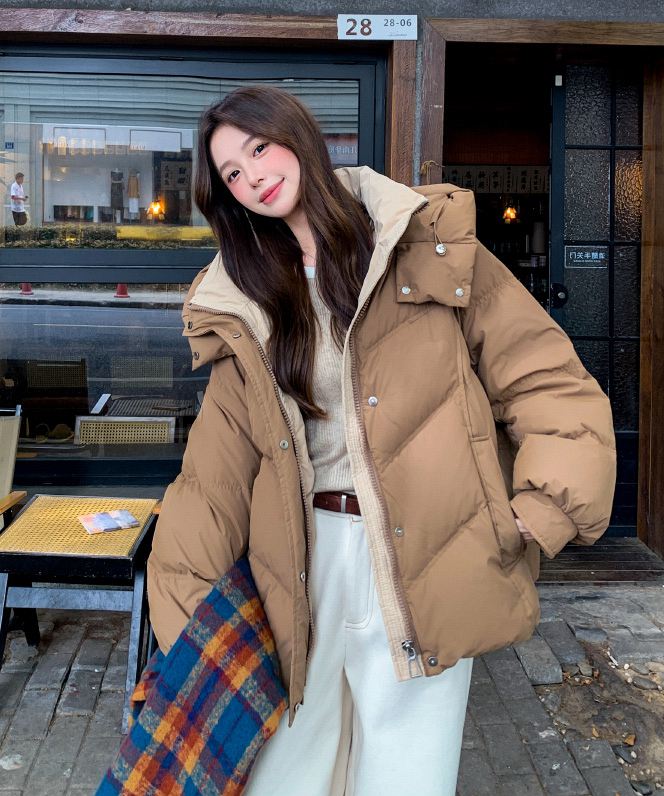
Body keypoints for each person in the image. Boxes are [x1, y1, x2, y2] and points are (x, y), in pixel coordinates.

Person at [146, 85, 616, 796]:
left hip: (430, 548)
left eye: (259, 148)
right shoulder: (244, 298)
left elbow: (544, 376)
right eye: (232, 174)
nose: (253, 176)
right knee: (284, 772)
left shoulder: (422, 245)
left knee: (406, 774)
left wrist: (535, 512)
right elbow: (216, 472)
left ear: (297, 136)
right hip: (299, 561)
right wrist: (185, 612)